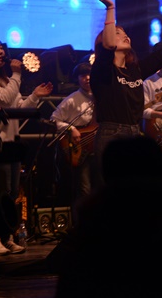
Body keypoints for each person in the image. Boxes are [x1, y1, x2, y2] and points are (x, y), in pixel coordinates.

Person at [90, 0, 162, 189]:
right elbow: (108, 45)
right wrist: (110, 8)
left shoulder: (135, 71)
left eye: (124, 32)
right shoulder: (102, 69)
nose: (125, 35)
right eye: (118, 33)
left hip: (135, 134)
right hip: (111, 135)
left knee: (137, 191)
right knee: (112, 192)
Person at [0, 37, 53, 255]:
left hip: (11, 142)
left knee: (12, 192)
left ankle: (7, 236)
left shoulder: (8, 81)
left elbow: (18, 108)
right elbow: (3, 99)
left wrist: (34, 96)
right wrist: (17, 74)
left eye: (1, 48)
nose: (1, 51)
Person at [50, 62, 95, 223]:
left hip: (97, 146)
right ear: (78, 79)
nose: (87, 78)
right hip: (80, 147)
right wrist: (71, 129)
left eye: (89, 74)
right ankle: (82, 224)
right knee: (84, 188)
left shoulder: (101, 96)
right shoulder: (72, 99)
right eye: (83, 75)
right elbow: (53, 119)